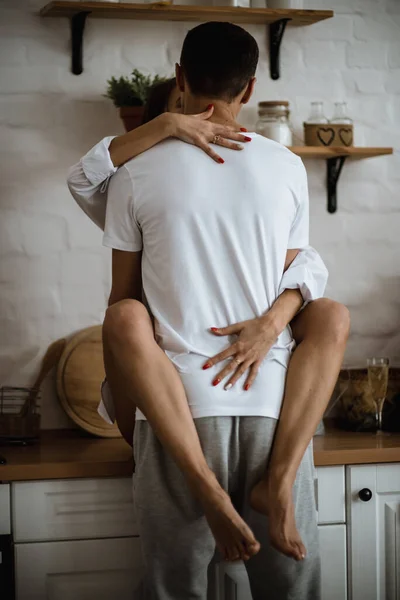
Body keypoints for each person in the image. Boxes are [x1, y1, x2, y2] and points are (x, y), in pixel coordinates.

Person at [67, 24, 349, 589]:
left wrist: (161, 129)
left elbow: (122, 299)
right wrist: (271, 324)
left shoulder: (135, 173)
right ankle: (279, 484)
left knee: (181, 587)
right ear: (248, 90)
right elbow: (297, 278)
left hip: (178, 407)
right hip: (274, 404)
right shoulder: (287, 166)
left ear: (179, 78)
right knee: (291, 586)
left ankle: (209, 494)